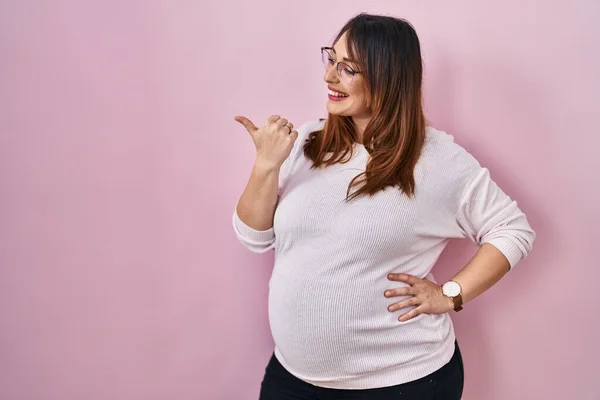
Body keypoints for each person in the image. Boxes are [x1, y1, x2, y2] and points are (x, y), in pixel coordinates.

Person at [231, 13, 535, 400]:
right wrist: (266, 166)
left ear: (388, 77)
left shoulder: (436, 160)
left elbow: (513, 230)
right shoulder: (307, 142)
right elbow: (254, 238)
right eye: (331, 58)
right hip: (292, 378)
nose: (329, 77)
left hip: (400, 384)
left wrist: (450, 293)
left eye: (349, 68)